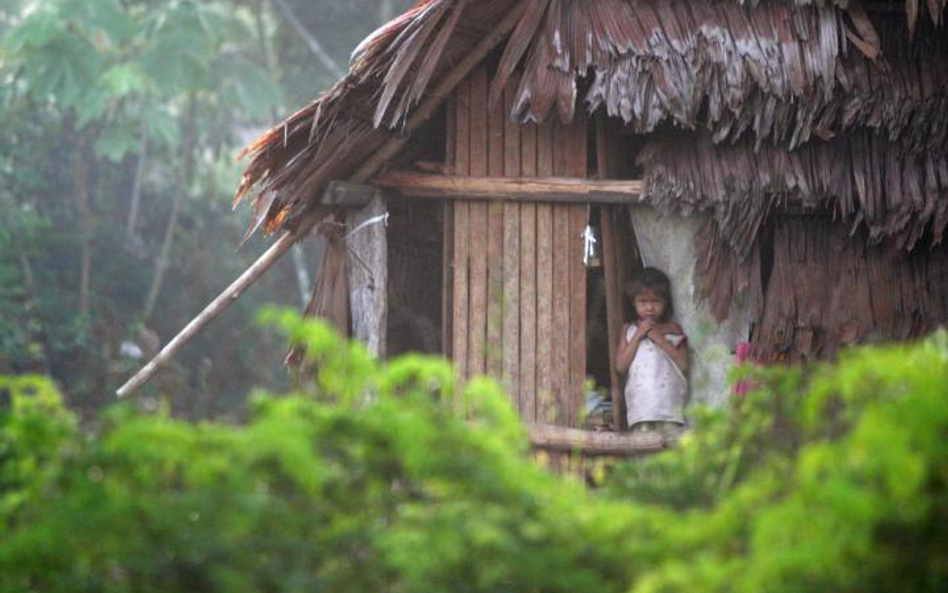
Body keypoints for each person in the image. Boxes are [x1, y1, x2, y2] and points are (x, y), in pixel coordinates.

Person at [613, 267, 689, 431]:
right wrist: (640, 334)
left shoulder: (673, 329)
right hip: (641, 411)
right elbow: (620, 366)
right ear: (633, 303)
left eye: (655, 301)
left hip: (669, 409)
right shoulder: (628, 330)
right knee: (643, 452)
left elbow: (684, 364)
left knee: (671, 454)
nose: (649, 308)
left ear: (665, 302)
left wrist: (657, 337)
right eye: (642, 301)